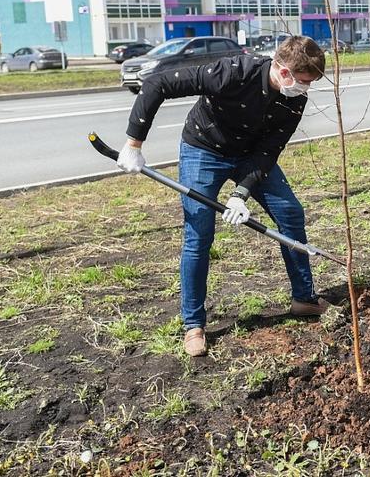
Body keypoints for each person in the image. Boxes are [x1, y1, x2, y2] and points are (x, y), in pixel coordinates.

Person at [116, 36, 330, 357]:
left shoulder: (293, 98)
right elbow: (159, 82)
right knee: (199, 234)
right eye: (302, 82)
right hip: (204, 148)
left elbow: (270, 149)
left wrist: (240, 193)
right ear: (283, 72)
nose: (306, 90)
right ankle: (194, 325)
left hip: (250, 155)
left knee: (291, 214)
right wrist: (134, 143)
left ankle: (303, 298)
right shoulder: (232, 72)